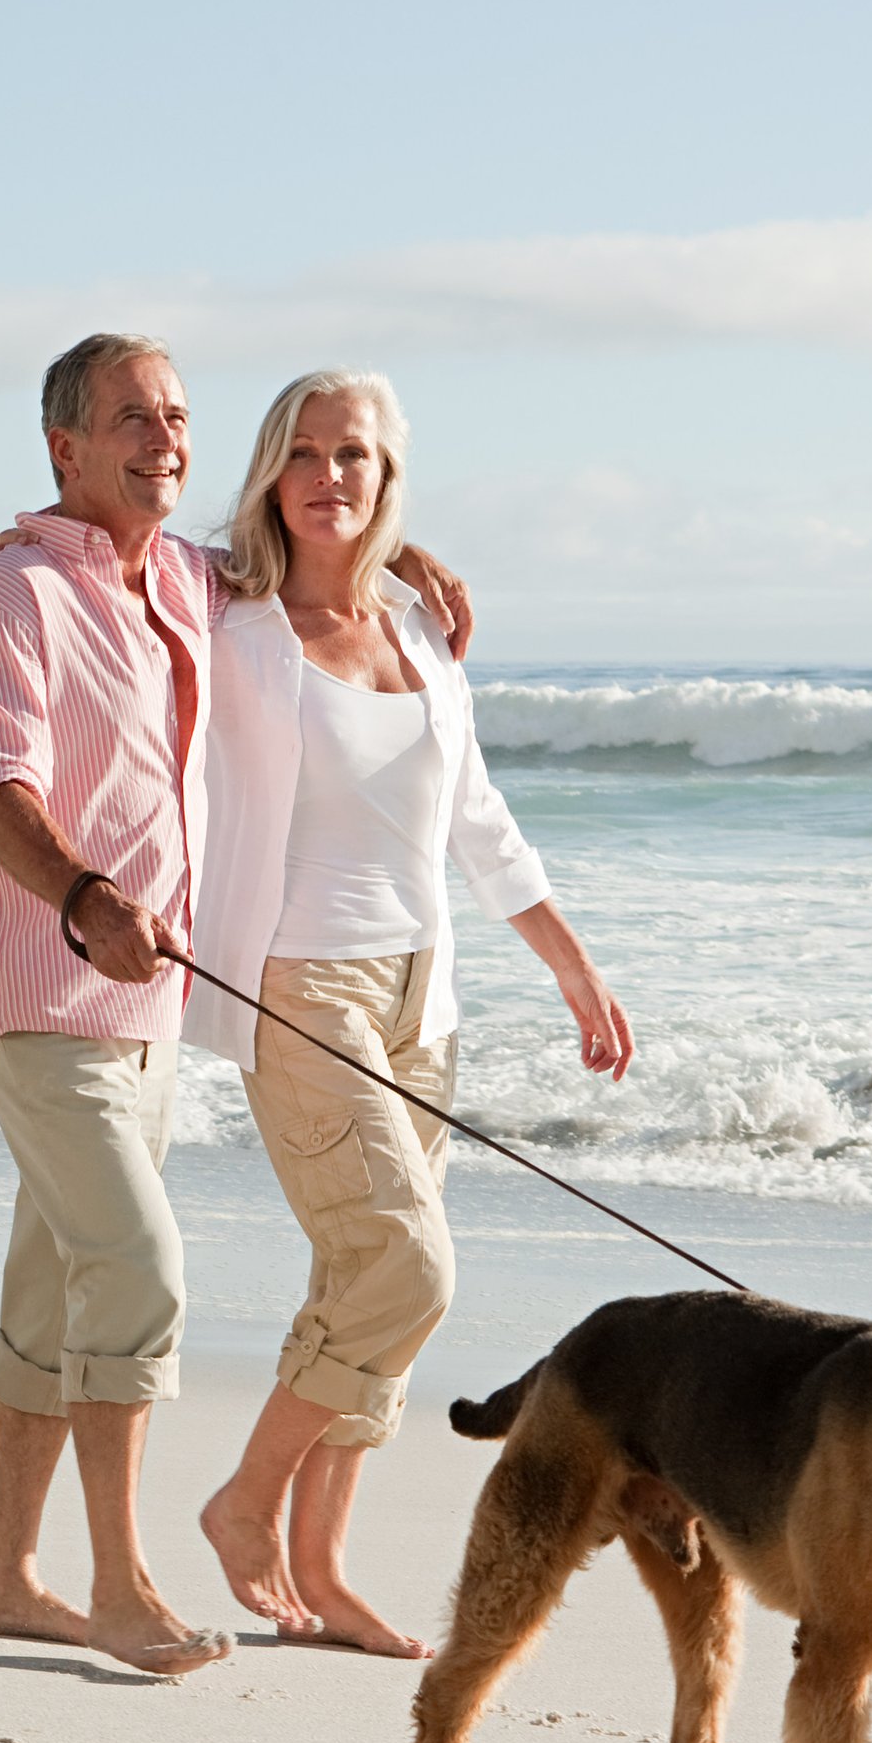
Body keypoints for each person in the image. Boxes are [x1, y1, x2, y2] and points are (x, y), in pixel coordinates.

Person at [0, 334, 479, 1678]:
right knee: (139, 1272)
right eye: (130, 420)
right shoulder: (10, 595)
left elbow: (301, 544)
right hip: (38, 983)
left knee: (56, 1288)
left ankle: (3, 1578)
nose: (163, 440)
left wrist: (401, 557)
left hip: (147, 1005)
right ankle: (121, 1587)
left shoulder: (181, 576)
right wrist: (86, 900)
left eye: (176, 419)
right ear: (62, 445)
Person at [180, 370, 630, 1655]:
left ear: (389, 478)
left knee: (359, 1273)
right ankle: (245, 1502)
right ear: (272, 470)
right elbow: (114, 559)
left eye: (358, 457)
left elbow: (475, 814)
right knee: (411, 1266)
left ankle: (320, 1567)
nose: (332, 474)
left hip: (420, 983)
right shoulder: (229, 614)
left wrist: (568, 960)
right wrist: (17, 538)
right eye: (307, 453)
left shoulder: (421, 631)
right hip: (296, 975)